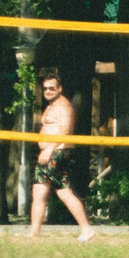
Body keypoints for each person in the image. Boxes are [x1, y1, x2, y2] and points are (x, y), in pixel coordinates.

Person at [27, 69, 98, 242]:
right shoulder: (51, 106)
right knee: (42, 192)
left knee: (61, 193)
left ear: (59, 89)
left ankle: (87, 229)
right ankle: (34, 232)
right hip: (49, 153)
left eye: (51, 88)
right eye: (45, 88)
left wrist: (50, 149)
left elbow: (65, 130)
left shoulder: (63, 105)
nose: (48, 91)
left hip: (57, 152)